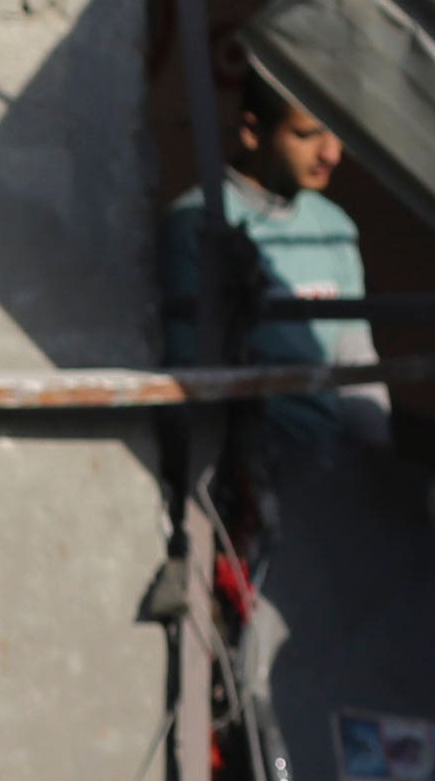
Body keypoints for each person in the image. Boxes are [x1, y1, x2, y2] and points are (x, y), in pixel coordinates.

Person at [157, 53, 383, 503]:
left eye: (335, 131)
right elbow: (184, 371)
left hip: (328, 476)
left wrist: (376, 466)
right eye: (307, 134)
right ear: (252, 131)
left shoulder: (334, 227)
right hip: (243, 481)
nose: (332, 153)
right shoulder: (198, 224)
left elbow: (355, 359)